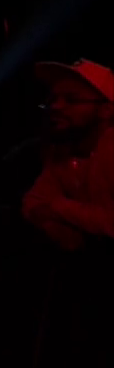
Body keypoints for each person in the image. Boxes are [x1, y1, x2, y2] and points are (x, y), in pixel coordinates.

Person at [21, 58, 114, 248]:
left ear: (105, 110)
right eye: (53, 99)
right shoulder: (63, 150)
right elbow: (32, 202)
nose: (56, 106)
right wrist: (51, 224)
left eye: (72, 100)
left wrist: (57, 207)